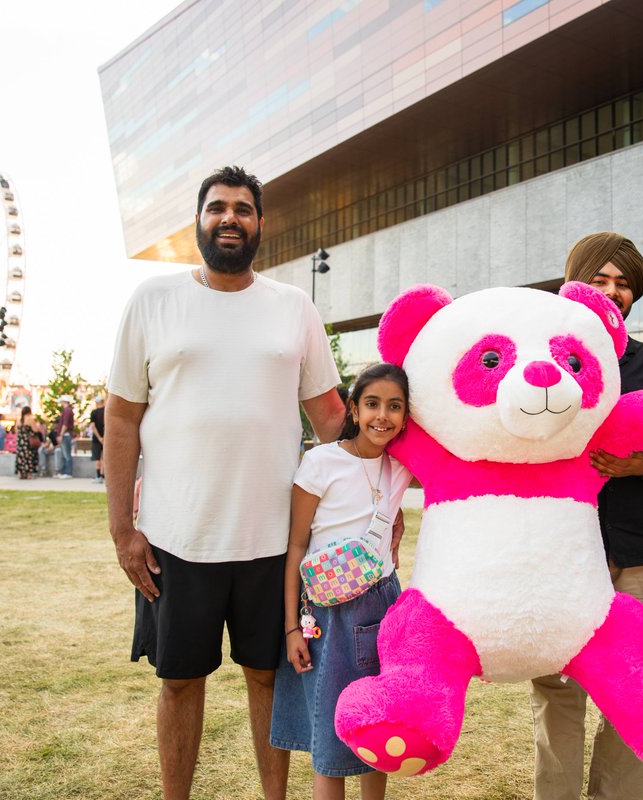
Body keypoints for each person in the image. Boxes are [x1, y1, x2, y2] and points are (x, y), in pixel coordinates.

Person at [106, 165, 345, 800]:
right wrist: (122, 532)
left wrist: (375, 498)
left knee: (269, 677)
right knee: (179, 682)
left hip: (273, 540)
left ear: (262, 224)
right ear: (198, 222)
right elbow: (122, 420)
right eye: (217, 208)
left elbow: (331, 420)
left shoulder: (294, 307)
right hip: (175, 539)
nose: (230, 218)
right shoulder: (152, 301)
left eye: (243, 209)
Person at [529, 233, 643, 800]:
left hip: (642, 551)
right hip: (558, 552)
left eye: (623, 283)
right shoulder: (538, 360)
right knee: (557, 688)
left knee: (634, 688)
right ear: (572, 285)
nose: (612, 292)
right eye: (599, 280)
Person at [271, 363, 413, 800]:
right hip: (325, 616)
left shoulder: (402, 463)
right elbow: (296, 547)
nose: (382, 416)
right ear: (353, 407)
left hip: (384, 605)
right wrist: (292, 628)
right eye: (371, 404)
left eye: (395, 406)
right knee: (328, 729)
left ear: (407, 415)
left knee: (381, 723)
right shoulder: (320, 463)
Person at [15, 406, 39, 479]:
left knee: (21, 456)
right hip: (28, 441)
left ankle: (22, 473)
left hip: (20, 441)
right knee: (29, 456)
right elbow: (35, 430)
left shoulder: (19, 420)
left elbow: (16, 430)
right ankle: (29, 473)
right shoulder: (30, 419)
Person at [55, 396, 76, 479]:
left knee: (66, 454)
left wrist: (61, 434)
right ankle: (65, 472)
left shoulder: (67, 410)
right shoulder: (68, 410)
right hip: (66, 435)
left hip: (66, 435)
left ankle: (68, 472)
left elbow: (65, 424)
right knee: (65, 454)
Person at [89, 394, 106, 484]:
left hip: (97, 439)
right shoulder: (107, 412)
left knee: (96, 457)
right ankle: (103, 475)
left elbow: (93, 426)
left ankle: (98, 475)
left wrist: (99, 437)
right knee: (104, 457)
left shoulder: (94, 412)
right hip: (106, 438)